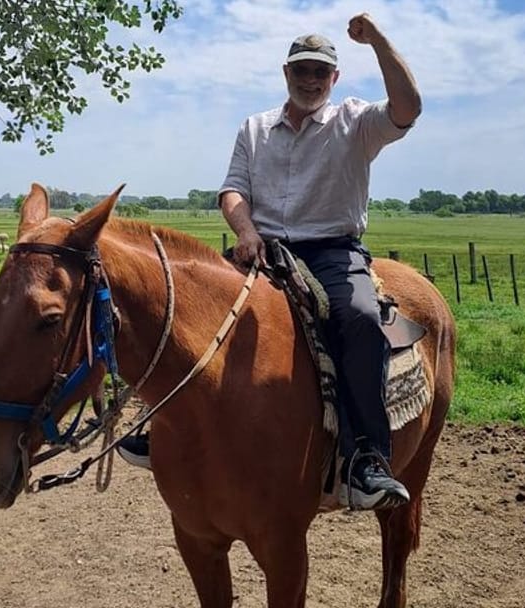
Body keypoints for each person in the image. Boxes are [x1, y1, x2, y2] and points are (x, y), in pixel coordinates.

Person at [119, 13, 421, 511]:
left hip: (330, 251)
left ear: (334, 77)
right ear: (286, 73)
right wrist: (246, 231)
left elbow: (408, 108)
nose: (310, 80)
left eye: (320, 72)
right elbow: (233, 190)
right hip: (260, 247)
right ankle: (162, 426)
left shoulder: (355, 122)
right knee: (186, 313)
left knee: (360, 319)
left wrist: (379, 41)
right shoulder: (255, 128)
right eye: (302, 70)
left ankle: (365, 457)